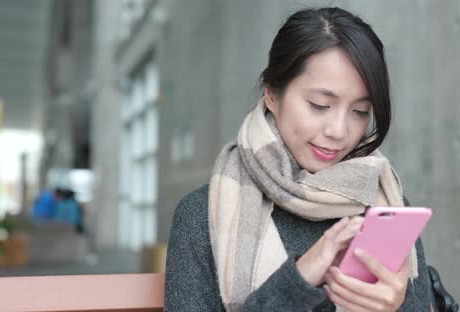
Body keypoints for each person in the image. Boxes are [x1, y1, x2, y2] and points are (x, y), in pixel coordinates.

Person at [165, 7, 434, 312]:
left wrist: (399, 305)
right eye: (320, 105)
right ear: (271, 94)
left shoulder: (388, 208)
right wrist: (299, 280)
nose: (339, 131)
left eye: (360, 112)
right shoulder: (202, 215)